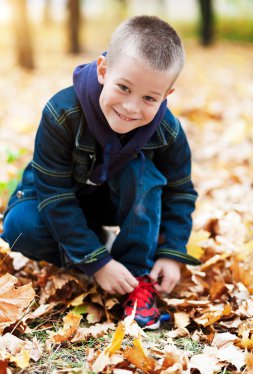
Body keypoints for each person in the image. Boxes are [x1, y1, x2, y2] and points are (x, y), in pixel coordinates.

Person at [1, 15, 200, 329]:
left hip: (116, 203)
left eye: (150, 98)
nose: (132, 108)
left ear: (167, 95)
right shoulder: (62, 112)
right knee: (18, 226)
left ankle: (136, 277)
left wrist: (171, 253)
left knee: (141, 171)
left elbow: (180, 191)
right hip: (55, 200)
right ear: (103, 70)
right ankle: (98, 250)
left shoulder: (167, 131)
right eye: (123, 87)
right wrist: (98, 263)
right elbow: (53, 194)